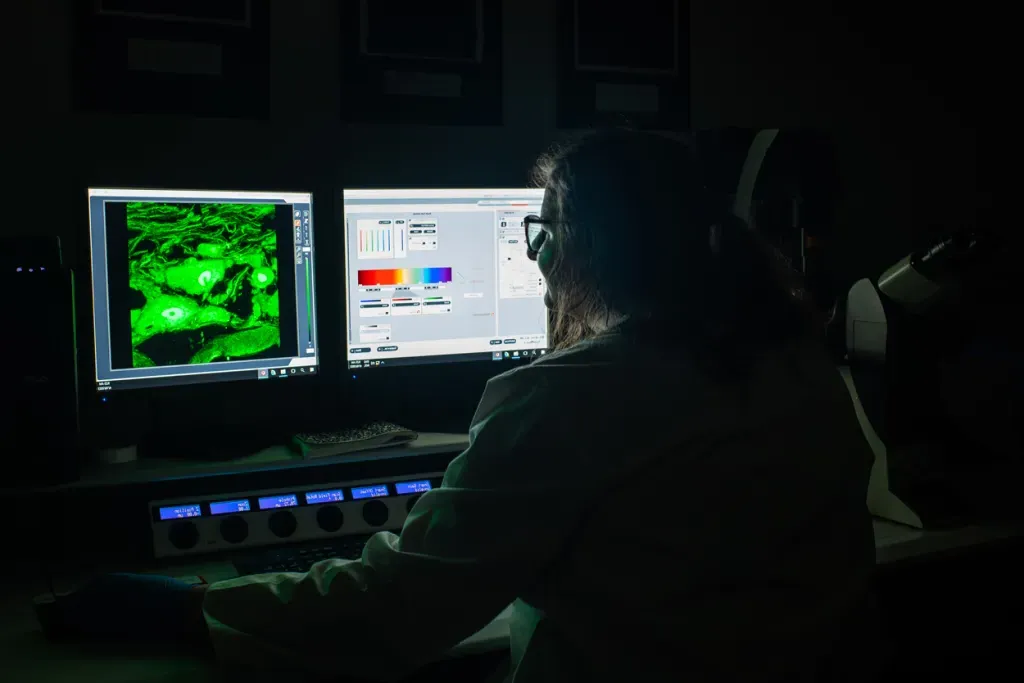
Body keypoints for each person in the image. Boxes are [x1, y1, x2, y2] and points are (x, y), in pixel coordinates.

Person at [60, 129, 877, 682]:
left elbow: (399, 605)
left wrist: (195, 604)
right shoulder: (800, 364)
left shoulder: (575, 395)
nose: (534, 252)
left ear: (596, 243)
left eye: (546, 226)